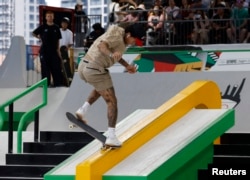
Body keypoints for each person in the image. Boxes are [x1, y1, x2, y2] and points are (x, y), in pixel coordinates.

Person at [76, 24, 143, 147]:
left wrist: (127, 66)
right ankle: (111, 136)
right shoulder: (117, 36)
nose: (133, 43)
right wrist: (111, 55)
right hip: (94, 67)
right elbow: (103, 46)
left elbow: (115, 54)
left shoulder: (119, 37)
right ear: (128, 35)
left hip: (85, 67)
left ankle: (82, 110)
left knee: (102, 86)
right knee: (112, 102)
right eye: (134, 39)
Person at [32, 10, 63, 87]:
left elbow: (58, 40)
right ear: (46, 17)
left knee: (56, 67)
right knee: (45, 68)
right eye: (48, 16)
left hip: (54, 51)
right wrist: (39, 37)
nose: (50, 18)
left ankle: (57, 83)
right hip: (44, 51)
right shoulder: (43, 27)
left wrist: (58, 51)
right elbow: (33, 33)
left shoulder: (56, 27)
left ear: (53, 17)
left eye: (51, 16)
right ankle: (46, 84)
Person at [59, 17, 74, 82]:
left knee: (66, 65)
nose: (64, 25)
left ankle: (68, 78)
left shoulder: (70, 32)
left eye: (66, 23)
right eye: (63, 23)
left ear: (67, 24)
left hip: (65, 50)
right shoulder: (58, 31)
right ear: (61, 24)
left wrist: (66, 48)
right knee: (57, 65)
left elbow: (70, 43)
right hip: (57, 50)